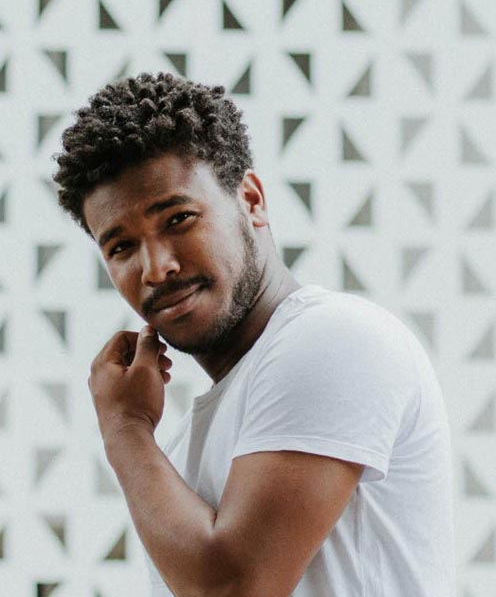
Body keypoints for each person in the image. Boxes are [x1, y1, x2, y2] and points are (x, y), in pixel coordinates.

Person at [53, 72, 456, 597]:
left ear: (251, 199)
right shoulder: (185, 444)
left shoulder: (333, 339)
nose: (156, 267)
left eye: (178, 218)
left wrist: (124, 427)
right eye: (121, 247)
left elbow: (234, 588)